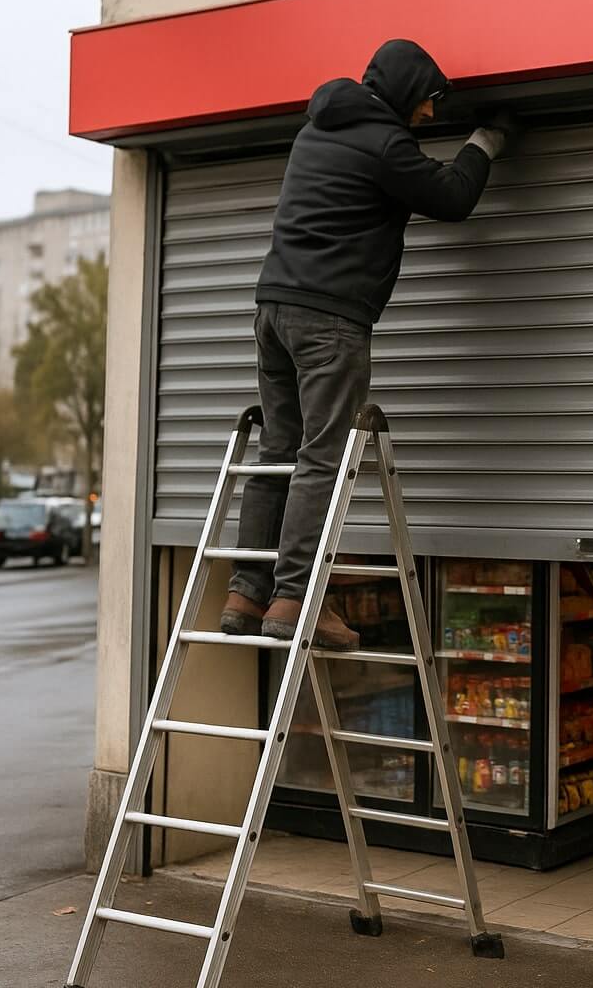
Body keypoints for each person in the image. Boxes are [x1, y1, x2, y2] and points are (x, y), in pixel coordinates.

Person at [220, 39, 516, 650]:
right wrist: (486, 140)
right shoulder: (385, 144)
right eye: (427, 100)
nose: (430, 112)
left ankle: (246, 591)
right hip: (328, 320)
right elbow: (453, 197)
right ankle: (296, 598)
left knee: (279, 450)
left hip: (272, 310)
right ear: (406, 90)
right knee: (321, 458)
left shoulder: (315, 131)